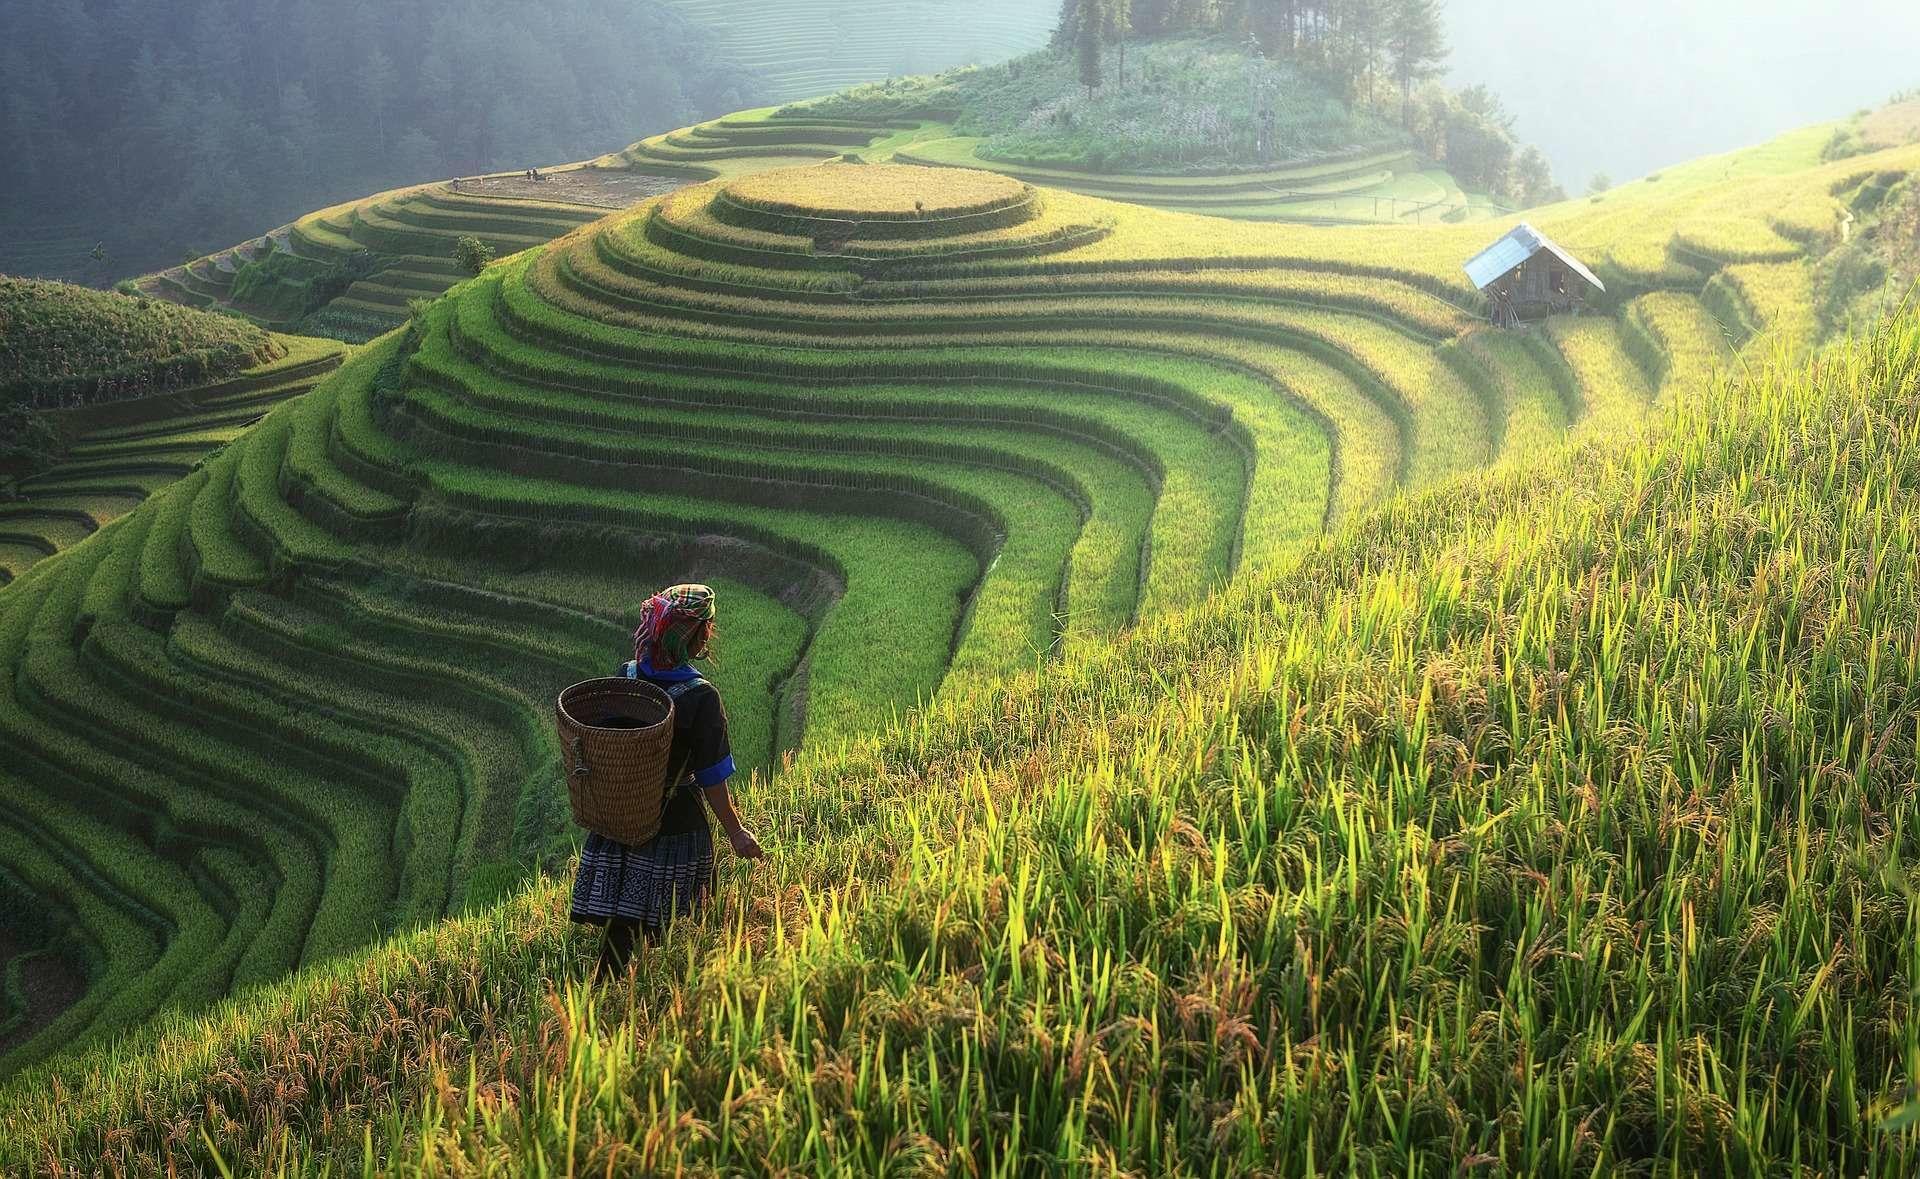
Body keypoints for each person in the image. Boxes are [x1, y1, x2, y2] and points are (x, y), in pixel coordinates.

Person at [570, 583, 763, 978]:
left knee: (622, 926)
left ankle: (607, 997)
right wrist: (737, 833)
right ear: (696, 636)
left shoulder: (625, 677)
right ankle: (677, 990)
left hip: (622, 815)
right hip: (675, 820)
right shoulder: (700, 697)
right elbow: (712, 779)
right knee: (690, 910)